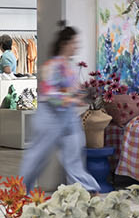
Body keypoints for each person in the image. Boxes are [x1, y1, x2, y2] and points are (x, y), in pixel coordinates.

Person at [19, 23, 99, 192]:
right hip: (49, 117)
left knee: (74, 155)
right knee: (37, 157)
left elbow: (72, 91)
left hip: (67, 117)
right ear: (65, 43)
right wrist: (72, 99)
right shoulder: (52, 66)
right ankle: (20, 191)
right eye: (74, 43)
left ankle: (87, 191)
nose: (77, 46)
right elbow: (49, 94)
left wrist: (84, 95)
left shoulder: (68, 66)